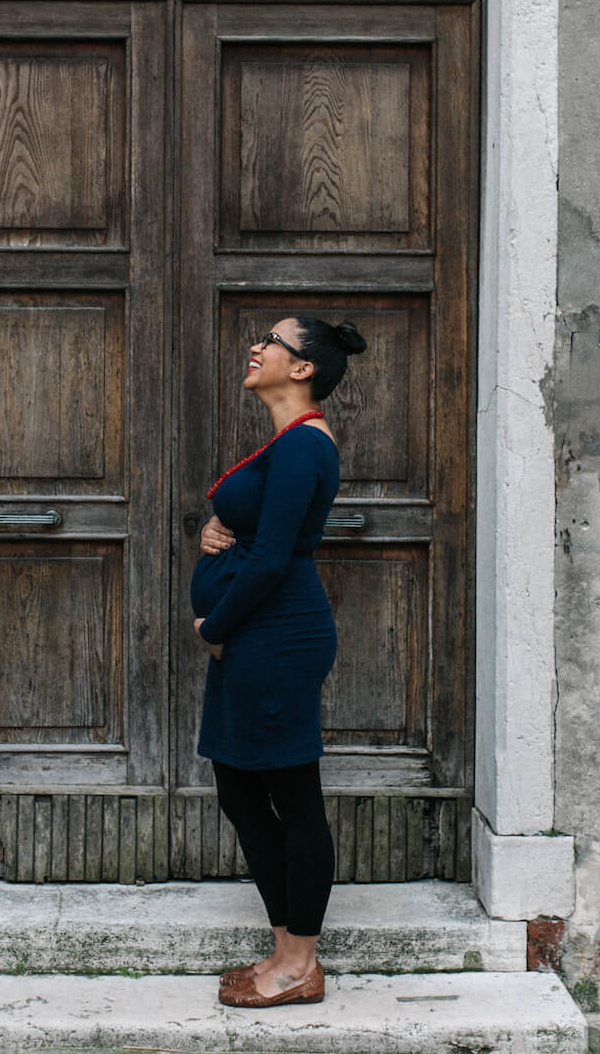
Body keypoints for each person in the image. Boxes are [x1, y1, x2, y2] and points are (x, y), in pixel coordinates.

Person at [189, 315, 367, 1009]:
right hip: (257, 635)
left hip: (275, 637)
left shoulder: (304, 447)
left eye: (272, 341)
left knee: (295, 800)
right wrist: (220, 531)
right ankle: (284, 947)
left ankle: (299, 965)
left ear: (301, 370)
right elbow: (259, 534)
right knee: (239, 792)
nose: (255, 347)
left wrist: (216, 626)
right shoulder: (287, 445)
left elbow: (272, 560)